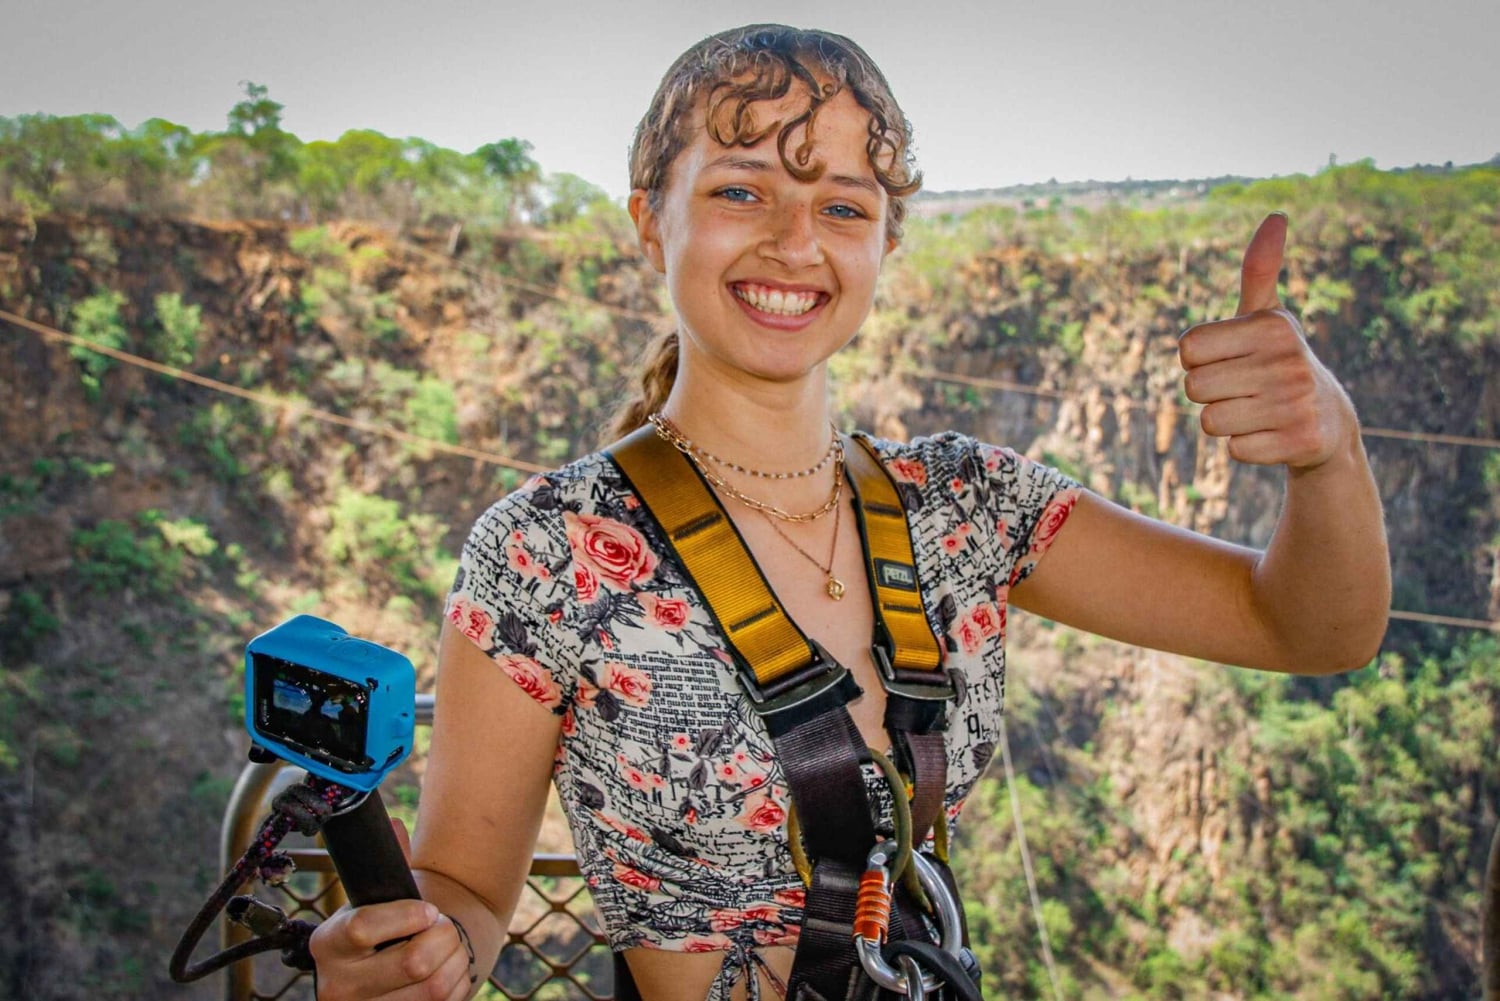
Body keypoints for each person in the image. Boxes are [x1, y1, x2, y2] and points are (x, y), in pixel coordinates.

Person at [308, 22, 1391, 1001]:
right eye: (740, 191)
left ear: (885, 243)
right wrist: (414, 948)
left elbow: (1307, 624)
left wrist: (1328, 453)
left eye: (842, 206)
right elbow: (465, 887)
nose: (795, 242)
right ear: (650, 221)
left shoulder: (966, 508)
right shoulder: (547, 552)